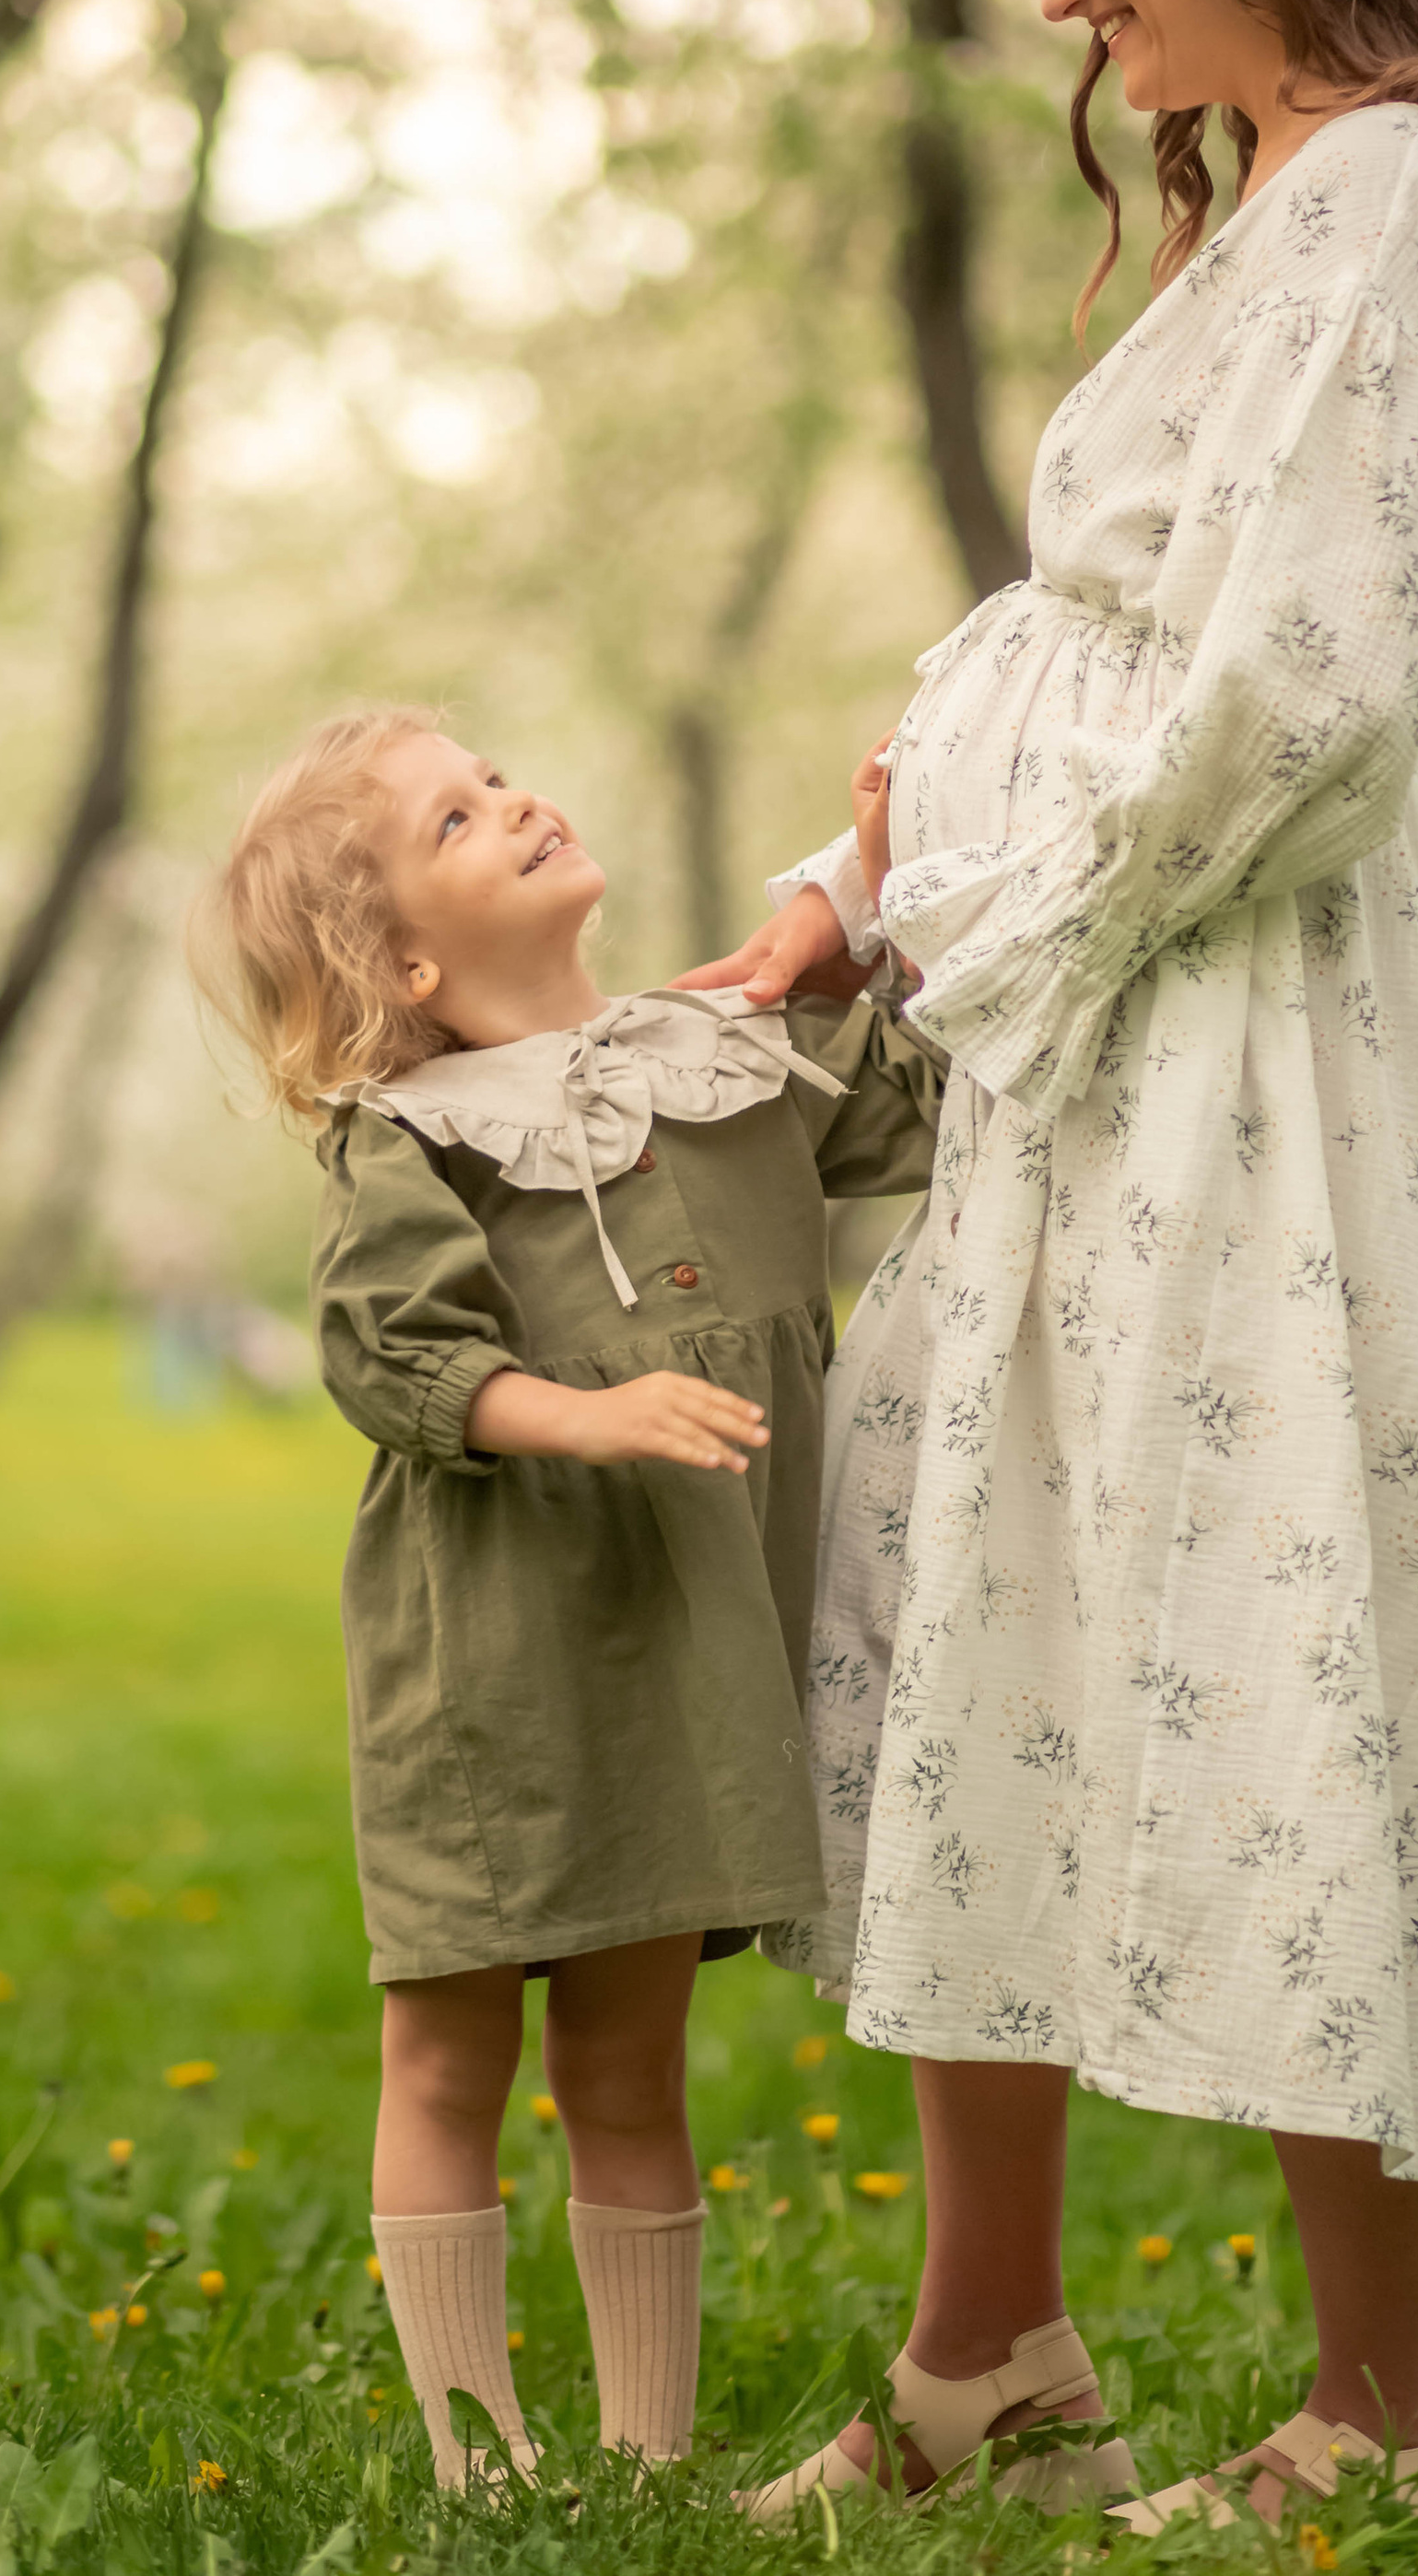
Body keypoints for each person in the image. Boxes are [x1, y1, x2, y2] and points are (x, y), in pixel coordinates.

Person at [686, 0, 1418, 2539]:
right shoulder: (1274, 216)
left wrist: (980, 936)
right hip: (1096, 1043)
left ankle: (1392, 2417)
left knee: (1284, 1628)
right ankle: (992, 2358)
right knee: (994, 1617)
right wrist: (851, 895)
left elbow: (1297, 700)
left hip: (1239, 1048)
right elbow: (1073, 649)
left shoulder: (1394, 204)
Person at [191, 708, 950, 2489]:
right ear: (405, 963)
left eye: (496, 776)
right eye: (455, 819)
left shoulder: (726, 1051)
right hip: (490, 1665)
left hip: (682, 1656)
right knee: (449, 2052)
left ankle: (643, 2463)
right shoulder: (414, 1133)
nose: (515, 799)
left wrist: (883, 890)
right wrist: (585, 1413)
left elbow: (928, 1100)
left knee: (628, 2059)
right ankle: (475, 2462)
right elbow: (389, 1351)